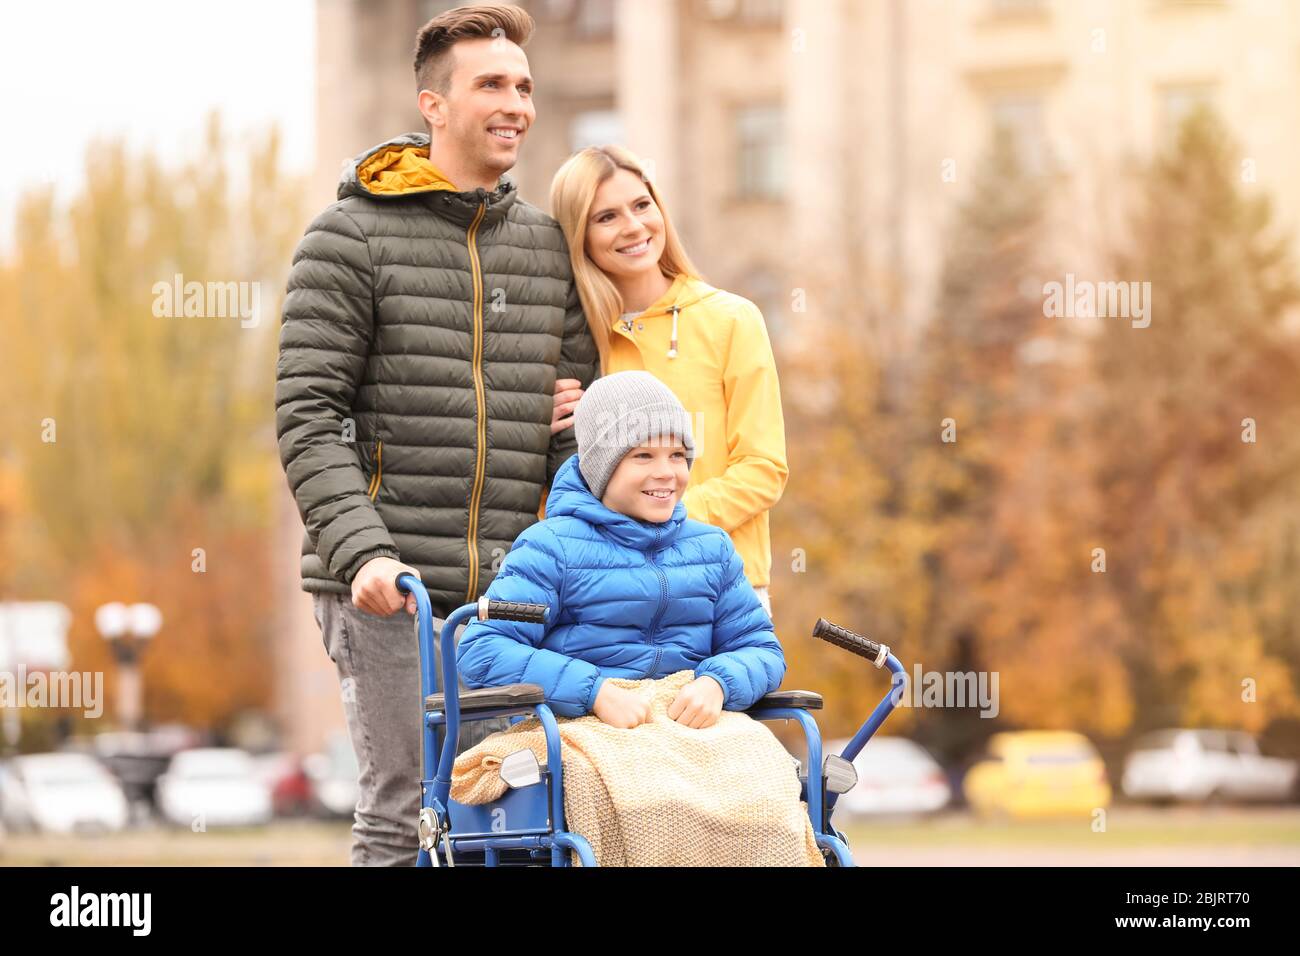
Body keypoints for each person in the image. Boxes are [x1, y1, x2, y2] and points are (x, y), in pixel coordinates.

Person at [275, 3, 598, 866]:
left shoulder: (544, 248)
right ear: (433, 104)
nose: (516, 104)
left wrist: (564, 540)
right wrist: (363, 555)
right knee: (405, 807)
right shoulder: (347, 239)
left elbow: (575, 425)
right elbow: (309, 416)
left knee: (511, 804)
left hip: (513, 591)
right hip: (389, 587)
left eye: (524, 87)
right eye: (491, 84)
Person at [456, 371, 785, 727]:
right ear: (602, 468)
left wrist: (719, 682)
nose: (667, 472)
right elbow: (483, 650)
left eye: (677, 455)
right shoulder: (551, 547)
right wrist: (593, 692)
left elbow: (762, 650)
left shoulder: (712, 548)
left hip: (687, 730)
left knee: (777, 777)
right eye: (643, 455)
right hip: (583, 728)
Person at [548, 146, 787, 616]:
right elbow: (561, 490)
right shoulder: (574, 343)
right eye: (607, 217)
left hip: (721, 590)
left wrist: (666, 519)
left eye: (642, 205)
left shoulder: (731, 319)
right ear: (579, 236)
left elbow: (763, 469)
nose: (634, 226)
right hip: (609, 596)